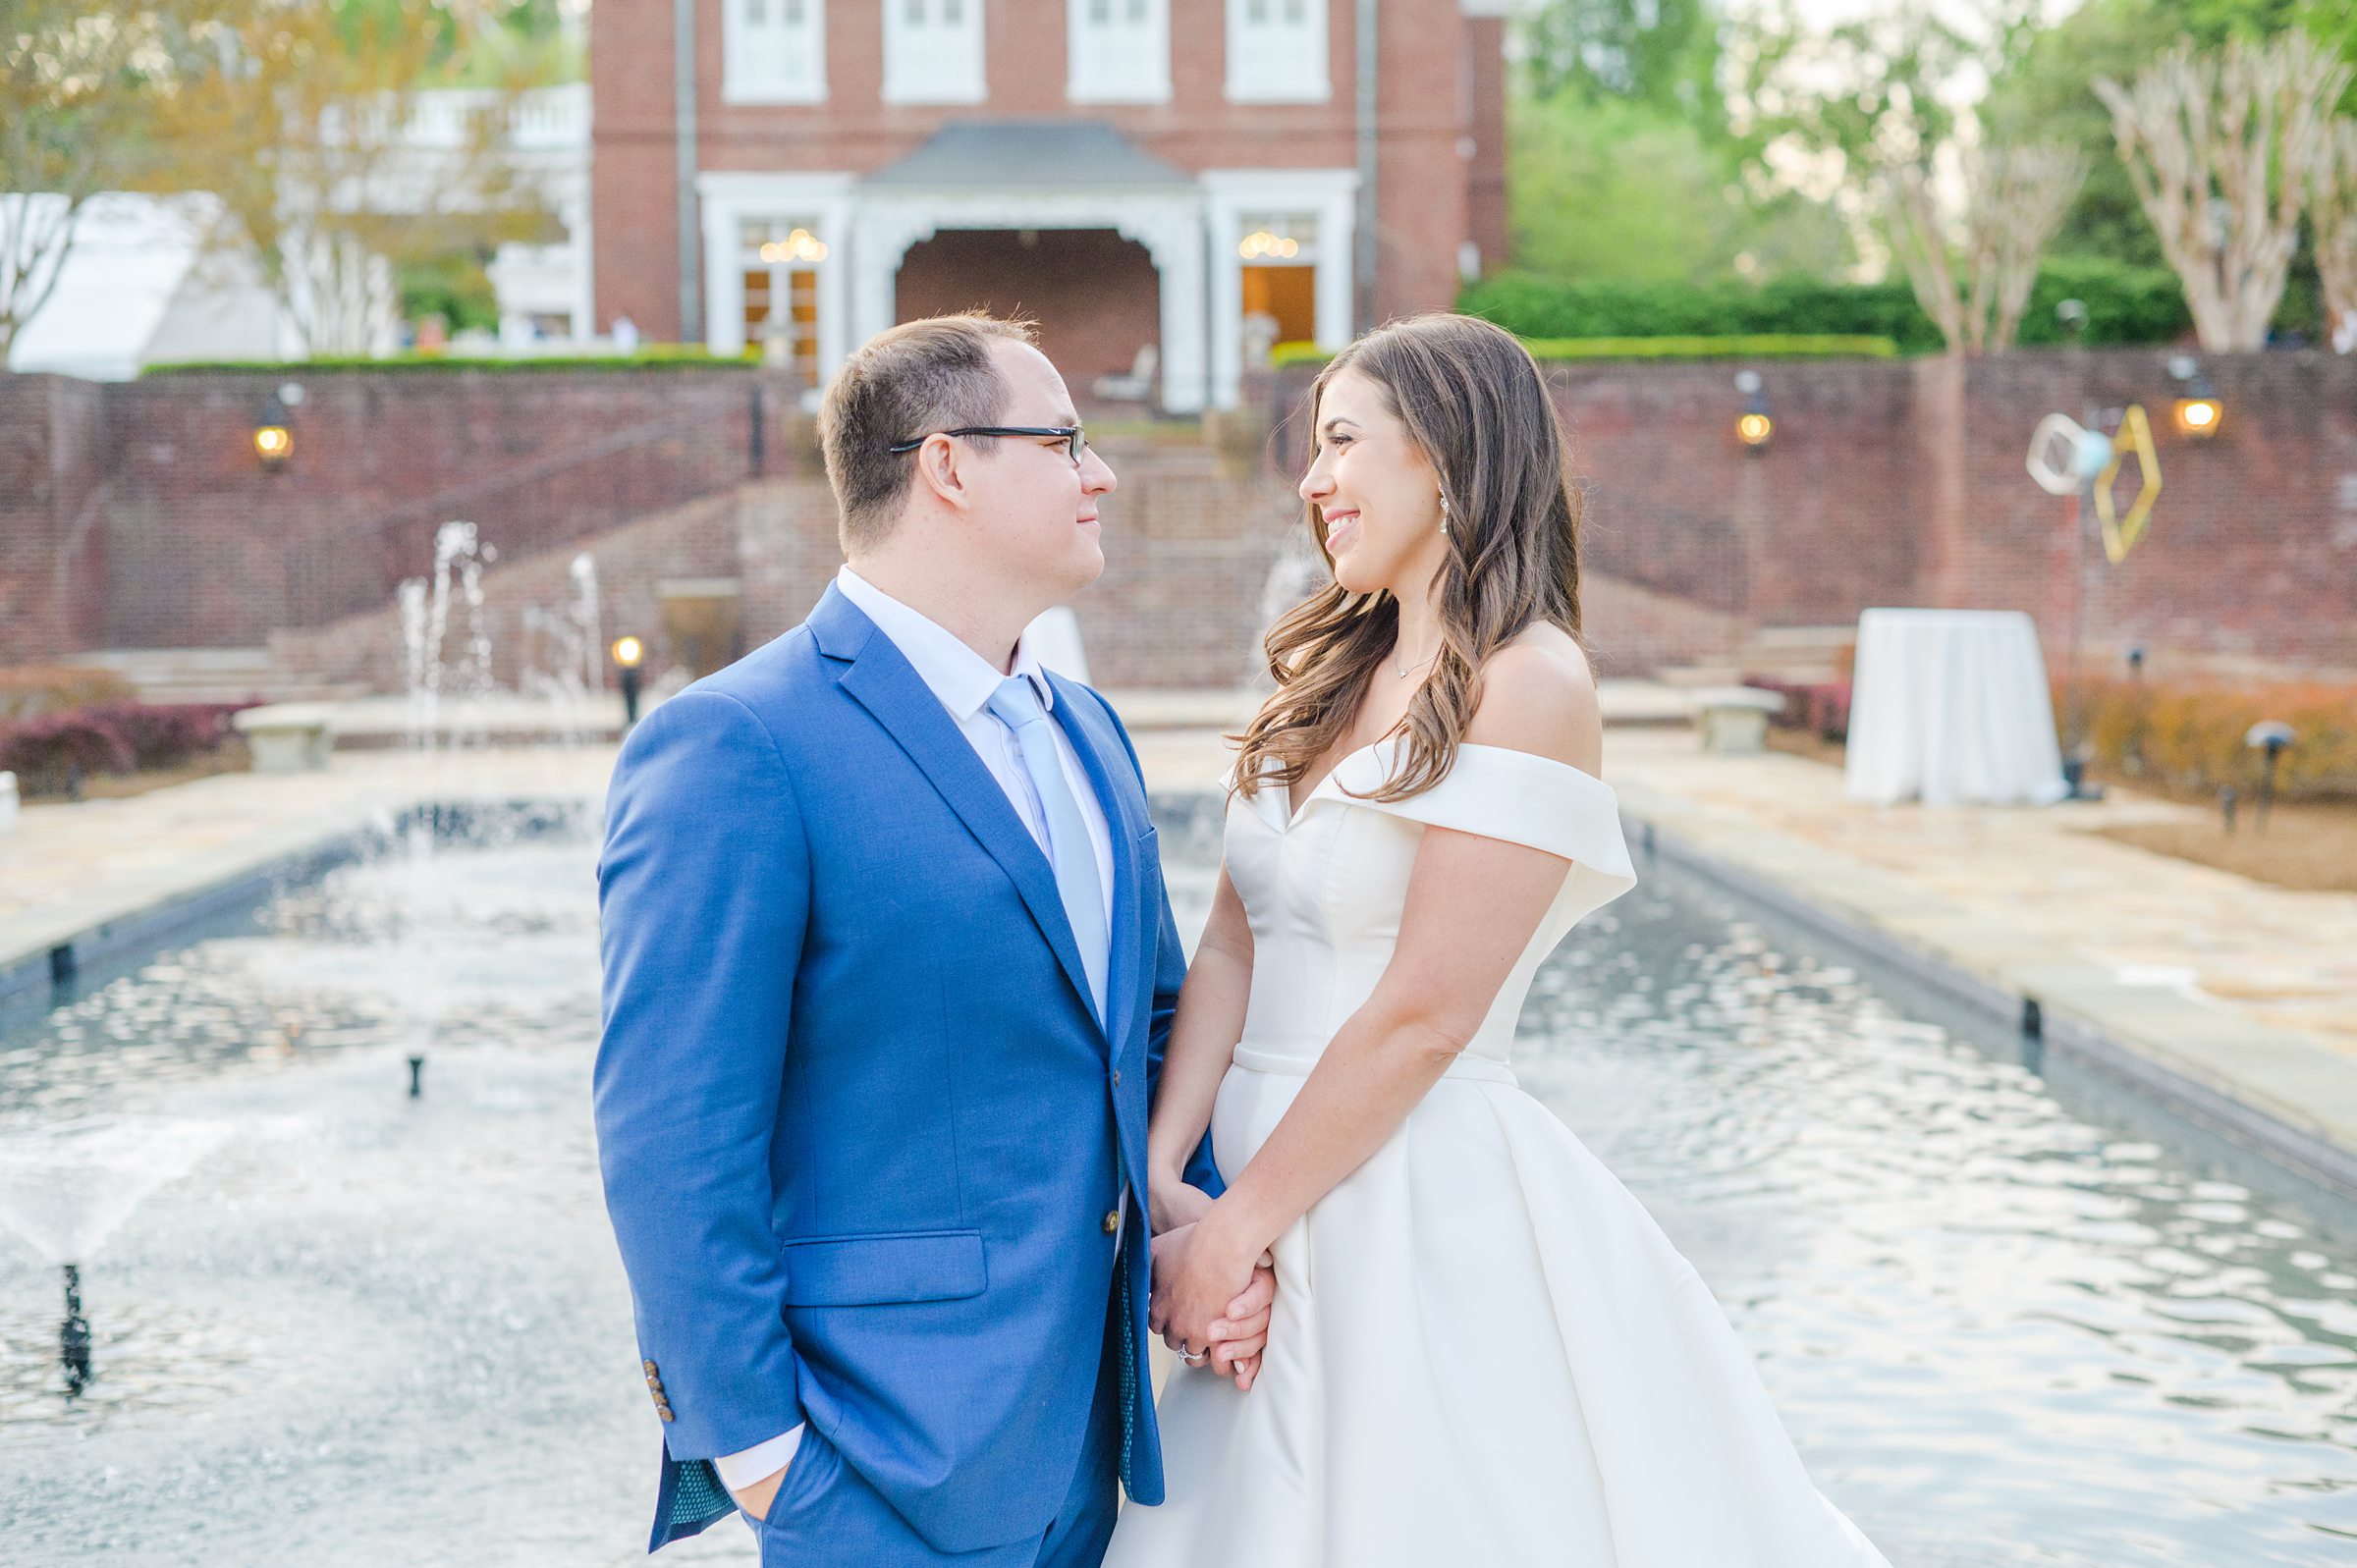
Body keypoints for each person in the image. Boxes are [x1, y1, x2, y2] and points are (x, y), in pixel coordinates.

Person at [1103, 312, 1892, 1567]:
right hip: (1234, 1180)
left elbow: (1427, 1013)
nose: (1314, 482)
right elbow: (1232, 952)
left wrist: (1239, 1232)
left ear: (1450, 457)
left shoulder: (1532, 683)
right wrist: (1159, 1189)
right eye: (1315, 447)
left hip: (1402, 1191)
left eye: (1344, 442)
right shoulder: (1322, 681)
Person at [592, 312, 1273, 1568]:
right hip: (876, 1466)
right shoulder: (735, 743)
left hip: (1089, 1447)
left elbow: (1156, 1028)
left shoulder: (1086, 729)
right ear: (947, 465)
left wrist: (1214, 1241)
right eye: (1065, 440)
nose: (1101, 472)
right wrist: (762, 1460)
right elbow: (673, 1132)